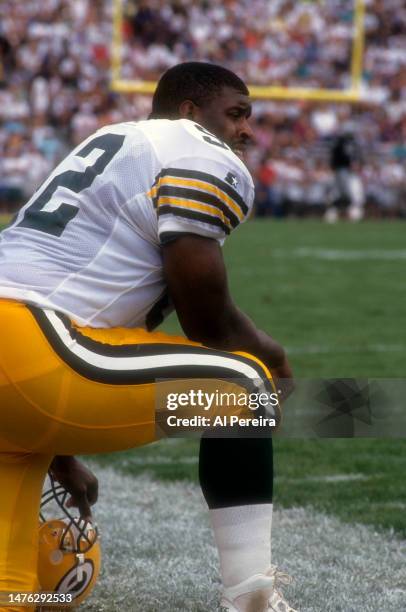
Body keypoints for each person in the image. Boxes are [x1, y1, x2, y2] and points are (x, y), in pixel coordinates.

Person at [0, 62, 295, 612]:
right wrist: (271, 353)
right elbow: (205, 317)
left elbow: (80, 300)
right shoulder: (193, 146)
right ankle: (252, 596)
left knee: (10, 586)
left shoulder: (111, 141)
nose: (248, 131)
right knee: (247, 384)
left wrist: (60, 454)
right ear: (190, 112)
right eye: (236, 113)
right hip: (33, 343)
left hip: (17, 364)